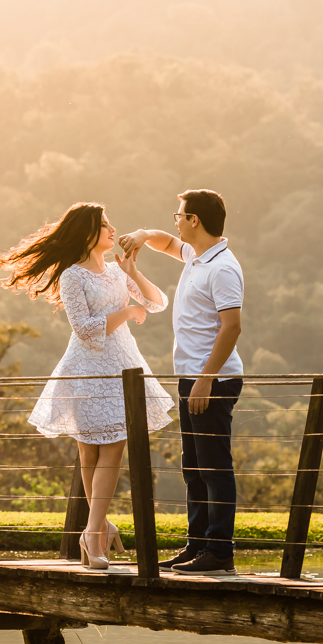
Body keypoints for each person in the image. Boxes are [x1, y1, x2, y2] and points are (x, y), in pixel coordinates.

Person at [0, 202, 174, 570]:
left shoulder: (117, 270)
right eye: (105, 225)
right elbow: (85, 329)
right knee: (89, 453)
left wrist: (133, 272)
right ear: (88, 232)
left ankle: (92, 533)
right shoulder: (72, 276)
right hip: (85, 368)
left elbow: (157, 303)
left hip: (123, 366)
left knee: (113, 447)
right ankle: (97, 528)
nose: (113, 230)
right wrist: (127, 312)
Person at [118, 189, 243, 575]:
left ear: (194, 220)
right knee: (194, 467)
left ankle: (220, 552)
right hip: (192, 379)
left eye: (179, 215)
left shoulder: (222, 267)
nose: (175, 221)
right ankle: (198, 545)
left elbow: (232, 327)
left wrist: (206, 379)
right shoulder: (196, 254)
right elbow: (167, 242)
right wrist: (143, 235)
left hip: (212, 381)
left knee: (214, 467)